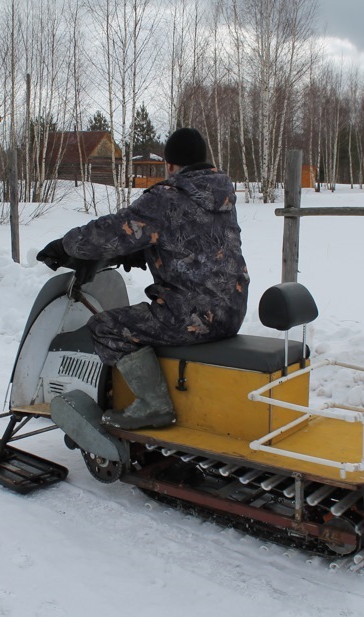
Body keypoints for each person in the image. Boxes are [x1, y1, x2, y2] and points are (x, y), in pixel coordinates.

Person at [37, 127, 249, 430]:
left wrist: (65, 246)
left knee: (105, 327)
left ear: (171, 164)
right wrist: (140, 254)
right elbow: (193, 242)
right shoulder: (222, 196)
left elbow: (113, 231)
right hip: (232, 311)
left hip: (190, 317)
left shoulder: (167, 196)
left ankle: (154, 405)